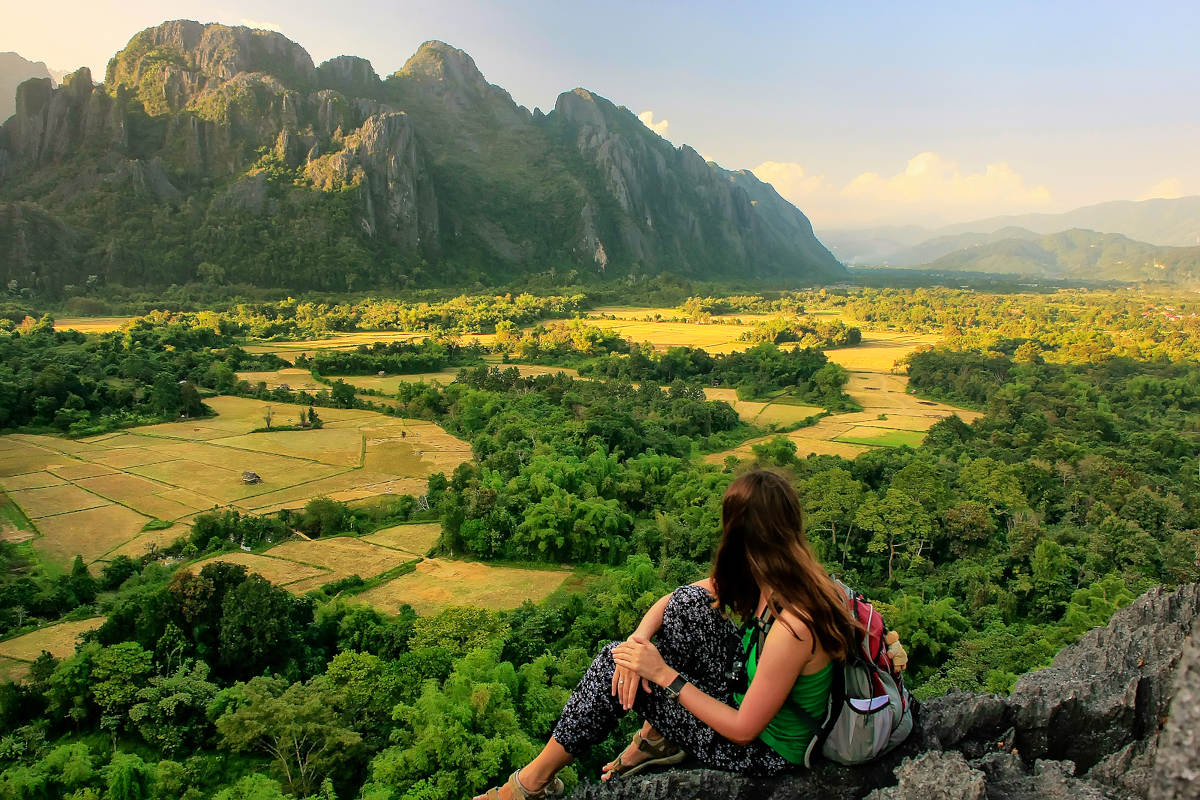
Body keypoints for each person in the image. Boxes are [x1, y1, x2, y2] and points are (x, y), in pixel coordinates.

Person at [474, 470, 864, 800]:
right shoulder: (786, 575)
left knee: (612, 661)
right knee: (685, 607)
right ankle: (657, 736)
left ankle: (531, 783)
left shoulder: (793, 625)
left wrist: (662, 675)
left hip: (764, 753)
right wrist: (638, 644)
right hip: (751, 697)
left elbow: (745, 731)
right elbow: (672, 600)